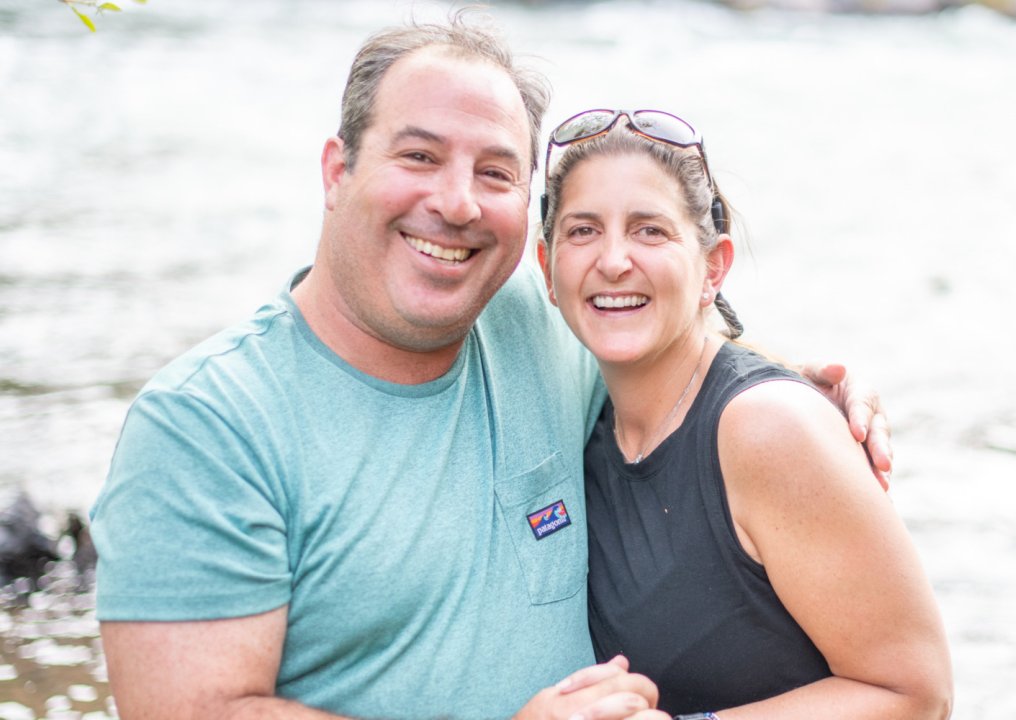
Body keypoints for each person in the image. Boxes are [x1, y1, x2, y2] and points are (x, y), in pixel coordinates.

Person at [89, 15, 892, 720]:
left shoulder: (538, 335)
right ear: (338, 172)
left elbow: (668, 340)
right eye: (419, 155)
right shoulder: (206, 424)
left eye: (497, 172)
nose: (459, 203)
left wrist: (795, 389)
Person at [536, 111, 952, 718]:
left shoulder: (768, 427)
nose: (615, 259)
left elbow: (918, 693)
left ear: (714, 267)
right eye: (583, 231)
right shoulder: (583, 417)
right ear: (547, 269)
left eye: (650, 231)